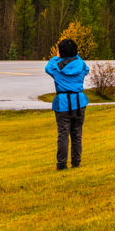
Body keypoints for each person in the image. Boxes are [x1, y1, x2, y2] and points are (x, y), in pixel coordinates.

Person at [45, 39, 90, 170]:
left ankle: (62, 164)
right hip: (79, 101)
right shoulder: (81, 65)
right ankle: (76, 162)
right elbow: (85, 68)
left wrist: (56, 57)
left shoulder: (56, 67)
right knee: (77, 134)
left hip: (63, 103)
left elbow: (47, 68)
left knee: (63, 135)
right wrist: (75, 55)